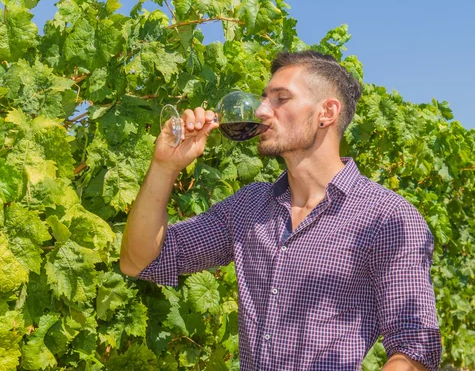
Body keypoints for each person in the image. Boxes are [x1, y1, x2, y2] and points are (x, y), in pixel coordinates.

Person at [120, 50, 442, 371]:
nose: (261, 110)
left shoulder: (387, 217)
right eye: (264, 98)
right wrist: (165, 166)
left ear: (326, 112)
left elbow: (415, 349)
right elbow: (140, 260)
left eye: (280, 99)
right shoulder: (249, 206)